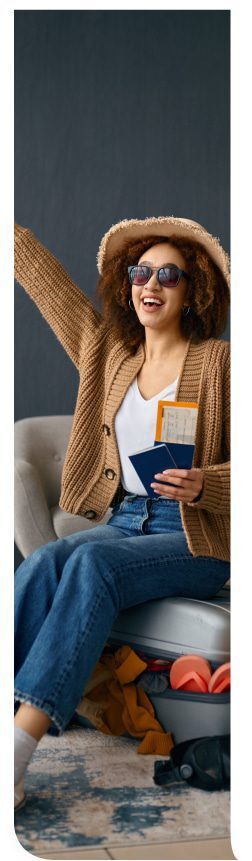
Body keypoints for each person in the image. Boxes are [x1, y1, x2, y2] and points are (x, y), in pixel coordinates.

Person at [14, 215, 230, 810]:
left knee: (93, 569)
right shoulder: (112, 354)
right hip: (125, 520)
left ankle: (16, 756)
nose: (151, 284)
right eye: (142, 271)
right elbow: (50, 289)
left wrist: (207, 485)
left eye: (169, 274)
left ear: (194, 291)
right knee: (44, 563)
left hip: (193, 536)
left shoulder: (220, 365)